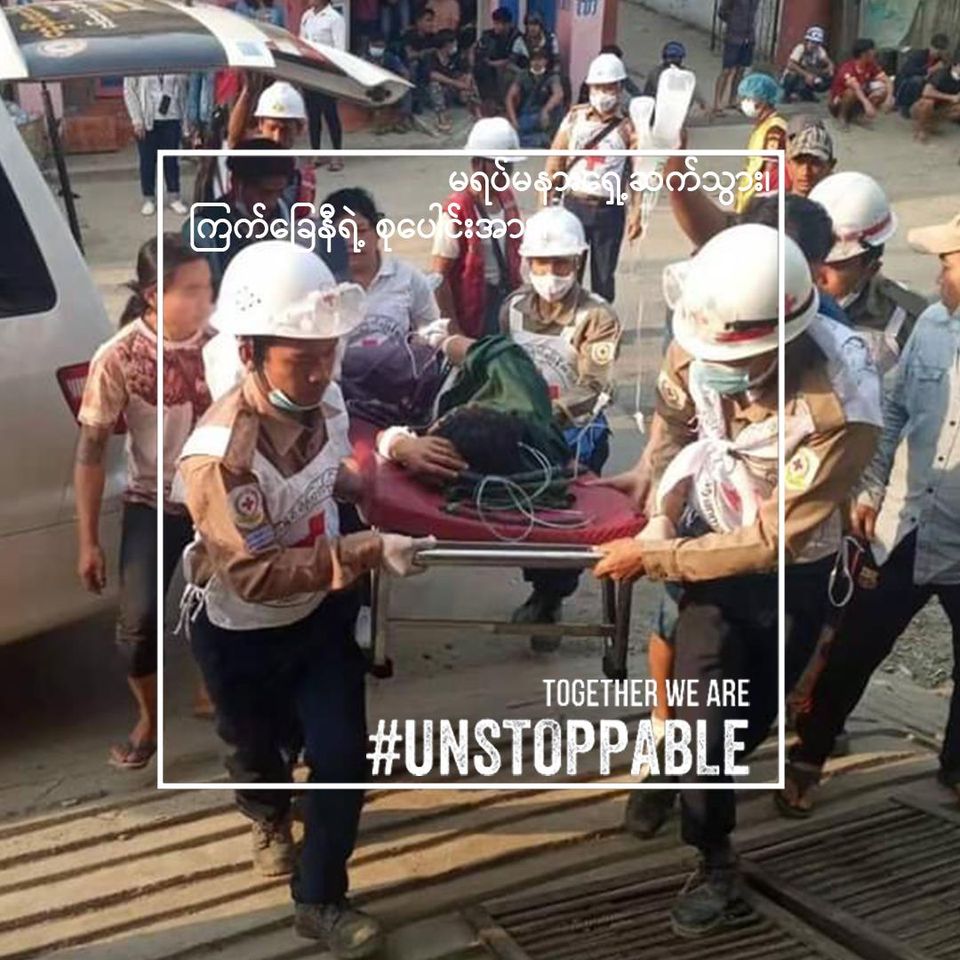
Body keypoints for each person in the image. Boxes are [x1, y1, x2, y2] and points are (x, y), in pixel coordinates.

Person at [592, 225, 881, 936]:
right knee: (705, 718)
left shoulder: (841, 407)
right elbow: (674, 420)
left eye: (738, 360)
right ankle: (715, 858)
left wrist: (654, 558)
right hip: (706, 552)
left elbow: (775, 540)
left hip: (790, 570)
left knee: (749, 721)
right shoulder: (697, 328)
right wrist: (656, 497)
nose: (715, 368)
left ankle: (679, 770)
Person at [175, 241, 432, 957]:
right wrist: (365, 550)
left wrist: (362, 482)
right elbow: (255, 575)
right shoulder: (220, 458)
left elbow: (332, 471)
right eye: (302, 359)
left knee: (343, 753)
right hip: (242, 632)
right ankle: (266, 813)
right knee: (257, 755)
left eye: (329, 353)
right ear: (250, 353)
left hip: (319, 616)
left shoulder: (321, 400)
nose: (320, 372)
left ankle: (319, 898)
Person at [780, 212, 960, 816]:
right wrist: (870, 491)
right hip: (905, 523)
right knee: (854, 645)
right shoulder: (932, 326)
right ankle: (809, 756)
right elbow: (892, 413)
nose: (938, 278)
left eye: (947, 265)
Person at [75, 235, 214, 770]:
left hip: (219, 498)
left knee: (238, 607)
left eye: (207, 287)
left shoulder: (226, 343)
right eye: (192, 290)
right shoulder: (118, 356)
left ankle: (221, 696)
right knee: (136, 627)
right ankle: (150, 719)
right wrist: (88, 541)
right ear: (155, 295)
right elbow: (90, 451)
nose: (204, 300)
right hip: (153, 500)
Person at [547, 52, 643, 305]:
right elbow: (555, 162)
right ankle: (570, 320)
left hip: (609, 210)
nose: (603, 93)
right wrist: (545, 206)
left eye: (609, 88)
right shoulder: (574, 119)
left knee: (603, 277)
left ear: (619, 89)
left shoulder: (628, 127)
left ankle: (601, 321)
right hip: (574, 205)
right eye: (598, 87)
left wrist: (636, 212)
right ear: (589, 88)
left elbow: (637, 173)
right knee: (568, 273)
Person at [809, 171, 928, 374]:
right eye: (813, 259)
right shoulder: (781, 300)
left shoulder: (905, 322)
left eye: (836, 265)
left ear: (870, 269)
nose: (817, 275)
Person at [431, 117, 524, 337]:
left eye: (509, 165)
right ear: (477, 164)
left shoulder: (506, 198)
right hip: (474, 308)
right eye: (500, 165)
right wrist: (453, 329)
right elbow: (439, 277)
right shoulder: (458, 208)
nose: (506, 172)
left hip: (506, 299)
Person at [187, 141, 297, 287]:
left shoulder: (282, 210)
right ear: (236, 184)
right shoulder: (202, 230)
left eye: (279, 192)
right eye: (265, 193)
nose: (272, 202)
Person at [225, 79, 317, 206]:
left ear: (299, 129)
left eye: (285, 130)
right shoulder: (246, 161)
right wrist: (247, 90)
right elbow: (234, 138)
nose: (277, 137)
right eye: (272, 128)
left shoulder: (304, 178)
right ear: (260, 124)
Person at [123, 73, 189, 216]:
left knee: (171, 161)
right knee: (147, 161)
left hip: (172, 117)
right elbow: (129, 91)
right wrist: (137, 119)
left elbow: (183, 91)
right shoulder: (139, 64)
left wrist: (185, 124)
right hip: (147, 119)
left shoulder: (173, 63)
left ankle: (174, 197)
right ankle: (149, 199)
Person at [300, 0, 347, 170]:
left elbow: (339, 49)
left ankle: (337, 155)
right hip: (310, 72)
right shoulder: (306, 16)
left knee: (330, 114)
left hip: (327, 73)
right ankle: (316, 153)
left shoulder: (335, 18)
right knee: (313, 115)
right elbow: (301, 42)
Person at [733, 72, 786, 214]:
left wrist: (759, 201)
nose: (744, 103)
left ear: (762, 100)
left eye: (748, 98)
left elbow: (771, 168)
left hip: (758, 200)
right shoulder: (763, 125)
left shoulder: (774, 129)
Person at [828, 38, 894, 130]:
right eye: (872, 50)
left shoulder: (871, 65)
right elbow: (856, 88)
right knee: (851, 92)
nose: (875, 53)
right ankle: (842, 117)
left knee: (882, 90)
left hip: (858, 98)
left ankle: (858, 116)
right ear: (864, 54)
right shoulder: (847, 68)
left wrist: (889, 98)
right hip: (838, 103)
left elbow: (887, 81)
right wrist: (867, 105)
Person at [506, 47, 564, 148]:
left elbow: (558, 94)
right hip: (527, 114)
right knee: (514, 137)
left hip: (545, 116)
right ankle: (539, 141)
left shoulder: (551, 76)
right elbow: (509, 97)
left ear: (545, 61)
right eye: (534, 60)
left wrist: (545, 110)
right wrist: (514, 121)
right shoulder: (523, 75)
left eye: (540, 59)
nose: (537, 63)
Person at [428, 28, 482, 132]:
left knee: (470, 79)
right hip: (433, 94)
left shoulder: (455, 57)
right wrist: (456, 83)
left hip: (451, 91)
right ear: (446, 45)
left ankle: (478, 113)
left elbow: (466, 70)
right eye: (453, 43)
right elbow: (432, 75)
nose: (455, 46)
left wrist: (467, 81)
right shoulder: (431, 56)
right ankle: (442, 117)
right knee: (434, 85)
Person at [714, 0, 760, 115]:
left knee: (741, 69)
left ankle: (733, 99)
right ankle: (717, 103)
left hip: (749, 35)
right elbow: (722, 12)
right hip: (734, 35)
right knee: (727, 70)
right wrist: (734, 22)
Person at [364, 33, 415, 133]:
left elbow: (405, 72)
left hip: (389, 85)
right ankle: (380, 123)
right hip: (369, 86)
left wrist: (402, 83)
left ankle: (401, 121)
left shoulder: (389, 57)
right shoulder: (364, 58)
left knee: (406, 91)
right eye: (376, 46)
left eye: (381, 47)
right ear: (370, 45)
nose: (378, 49)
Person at [895, 33, 951, 117]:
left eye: (941, 50)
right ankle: (905, 106)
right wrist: (930, 70)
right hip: (907, 84)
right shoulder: (919, 55)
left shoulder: (941, 60)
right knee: (917, 80)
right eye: (936, 49)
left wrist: (945, 66)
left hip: (927, 85)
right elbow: (907, 71)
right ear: (931, 47)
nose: (937, 52)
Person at [474, 6, 521, 105]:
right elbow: (480, 53)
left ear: (508, 24)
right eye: (495, 23)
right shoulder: (488, 35)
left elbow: (512, 59)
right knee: (479, 69)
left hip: (510, 67)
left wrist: (493, 63)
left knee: (506, 71)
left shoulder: (516, 37)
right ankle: (488, 101)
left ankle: (504, 102)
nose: (497, 26)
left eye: (499, 23)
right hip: (490, 65)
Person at [643, 41, 708, 112]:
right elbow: (660, 91)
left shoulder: (686, 75)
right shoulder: (656, 73)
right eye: (669, 58)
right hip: (657, 108)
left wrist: (703, 103)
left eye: (675, 59)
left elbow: (695, 90)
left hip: (678, 109)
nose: (671, 61)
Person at [910, 53, 960, 143]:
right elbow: (926, 92)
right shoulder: (942, 74)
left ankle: (932, 124)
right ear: (955, 65)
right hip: (922, 106)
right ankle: (921, 129)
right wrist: (950, 97)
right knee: (927, 103)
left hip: (942, 107)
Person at [577, 43, 642, 107]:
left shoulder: (620, 78)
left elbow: (637, 94)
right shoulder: (592, 78)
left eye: (610, 88)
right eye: (597, 87)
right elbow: (582, 102)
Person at [784, 117, 836, 197]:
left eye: (815, 163)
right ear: (788, 164)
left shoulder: (844, 203)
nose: (806, 172)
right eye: (799, 162)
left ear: (830, 166)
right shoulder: (771, 203)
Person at [781, 25, 835, 102]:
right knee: (792, 75)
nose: (814, 45)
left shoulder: (819, 50)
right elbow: (790, 64)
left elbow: (828, 61)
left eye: (817, 43)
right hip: (797, 77)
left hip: (810, 77)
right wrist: (806, 75)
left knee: (828, 78)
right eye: (812, 42)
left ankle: (807, 94)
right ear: (807, 41)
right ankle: (787, 95)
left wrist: (829, 68)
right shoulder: (800, 48)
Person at [402, 5, 439, 113]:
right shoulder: (409, 35)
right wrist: (424, 53)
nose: (431, 24)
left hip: (425, 70)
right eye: (428, 20)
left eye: (432, 20)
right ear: (418, 22)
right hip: (406, 68)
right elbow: (409, 55)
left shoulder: (433, 37)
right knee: (414, 65)